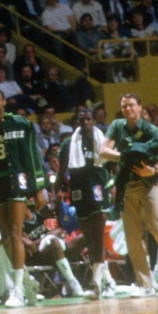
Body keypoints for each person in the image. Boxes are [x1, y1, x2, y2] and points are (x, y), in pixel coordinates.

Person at [100, 93, 158, 295]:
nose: (127, 109)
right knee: (132, 237)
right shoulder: (117, 126)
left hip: (150, 183)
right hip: (128, 185)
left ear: (139, 107)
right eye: (124, 106)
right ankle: (145, 284)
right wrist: (125, 156)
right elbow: (103, 151)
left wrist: (154, 170)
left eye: (131, 105)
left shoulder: (150, 129)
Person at [0, 89, 48, 307]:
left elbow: (31, 153)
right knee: (5, 237)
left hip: (17, 180)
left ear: (3, 103)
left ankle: (16, 290)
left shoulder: (18, 123)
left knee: (17, 232)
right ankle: (26, 281)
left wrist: (38, 187)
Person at [58, 107, 113, 298]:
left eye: (89, 119)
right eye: (82, 120)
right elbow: (61, 171)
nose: (86, 123)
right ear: (77, 123)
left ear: (93, 121)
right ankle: (107, 281)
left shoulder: (104, 141)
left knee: (97, 234)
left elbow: (114, 166)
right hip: (79, 191)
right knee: (89, 237)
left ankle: (96, 283)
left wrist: (114, 186)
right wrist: (55, 190)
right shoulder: (68, 144)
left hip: (99, 189)